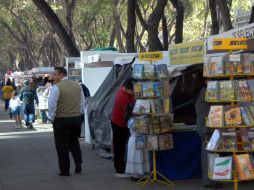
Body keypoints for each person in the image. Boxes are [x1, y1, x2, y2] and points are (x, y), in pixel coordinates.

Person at [48, 67, 86, 176]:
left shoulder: (56, 88)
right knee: (74, 142)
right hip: (76, 118)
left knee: (62, 145)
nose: (53, 77)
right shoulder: (78, 86)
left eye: (55, 74)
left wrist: (52, 117)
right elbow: (82, 103)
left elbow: (52, 104)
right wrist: (79, 113)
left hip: (61, 119)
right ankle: (78, 163)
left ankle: (65, 170)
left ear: (61, 75)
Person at [195, 78, 222, 188]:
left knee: (211, 154)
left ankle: (212, 179)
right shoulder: (205, 93)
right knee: (208, 155)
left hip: (209, 129)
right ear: (205, 81)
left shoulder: (203, 93)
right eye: (211, 80)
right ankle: (209, 181)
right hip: (207, 129)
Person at [111, 78, 136, 178]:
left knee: (121, 146)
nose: (134, 92)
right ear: (126, 88)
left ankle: (122, 167)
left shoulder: (124, 90)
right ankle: (119, 171)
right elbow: (129, 113)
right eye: (132, 90)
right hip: (119, 123)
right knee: (119, 146)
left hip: (121, 122)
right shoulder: (122, 97)